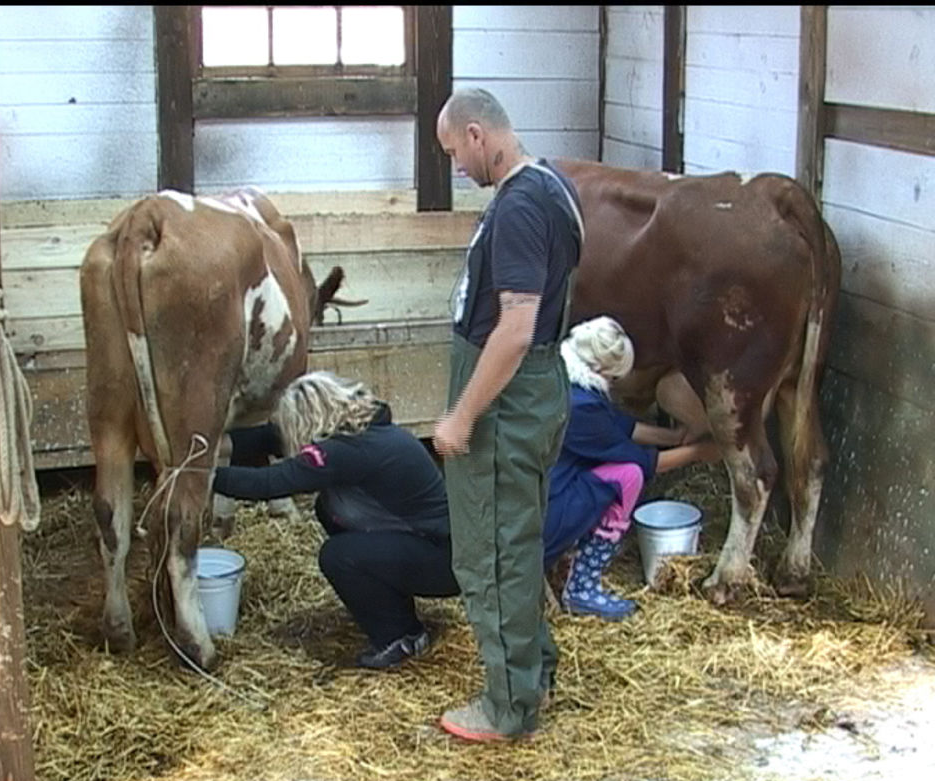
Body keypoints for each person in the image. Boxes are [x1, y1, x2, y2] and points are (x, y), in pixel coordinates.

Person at [431, 88, 584, 742]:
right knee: (515, 543)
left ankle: (509, 706)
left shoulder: (521, 205)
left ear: (476, 134)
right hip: (534, 391)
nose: (458, 170)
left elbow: (516, 327)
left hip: (506, 400)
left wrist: (463, 415)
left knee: (493, 553)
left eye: (454, 155)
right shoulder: (552, 184)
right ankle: (533, 673)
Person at [212, 371, 459, 670]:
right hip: (435, 549)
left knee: (339, 556)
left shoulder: (350, 451)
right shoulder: (361, 432)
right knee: (329, 510)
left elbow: (269, 482)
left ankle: (403, 636)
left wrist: (201, 477)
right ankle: (392, 608)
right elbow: (268, 439)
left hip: (445, 561)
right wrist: (204, 444)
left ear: (308, 421)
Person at [544, 316, 722, 619]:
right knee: (629, 476)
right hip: (547, 514)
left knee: (621, 471)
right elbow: (646, 462)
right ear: (599, 370)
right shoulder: (582, 407)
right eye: (613, 378)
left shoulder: (565, 384)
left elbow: (619, 427)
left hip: (543, 494)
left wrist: (674, 437)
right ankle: (582, 588)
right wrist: (697, 452)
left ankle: (572, 565)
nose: (614, 385)